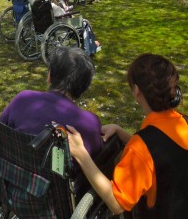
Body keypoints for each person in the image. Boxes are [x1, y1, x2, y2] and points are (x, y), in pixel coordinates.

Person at [67, 53, 188, 217]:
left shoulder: (141, 147)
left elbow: (117, 203)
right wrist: (119, 130)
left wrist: (81, 154)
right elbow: (162, 154)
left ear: (137, 91)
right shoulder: (182, 122)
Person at [0, 46, 103, 158]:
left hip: (12, 170)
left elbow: (0, 130)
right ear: (84, 87)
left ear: (49, 76)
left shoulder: (22, 99)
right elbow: (97, 153)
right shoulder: (90, 124)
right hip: (57, 175)